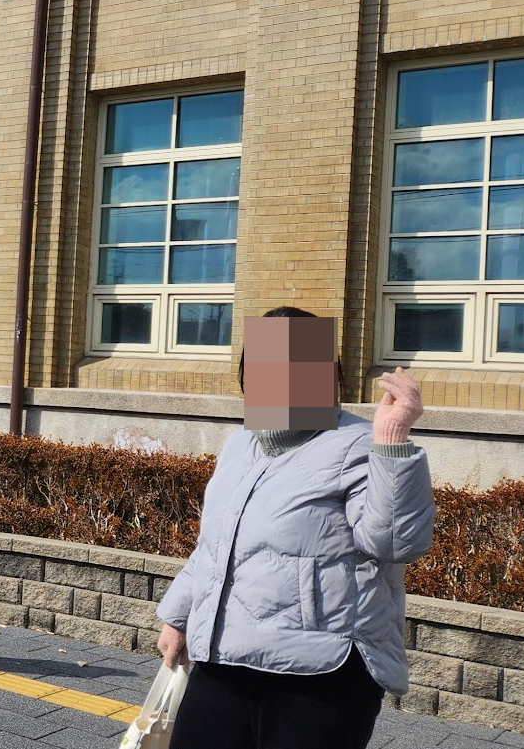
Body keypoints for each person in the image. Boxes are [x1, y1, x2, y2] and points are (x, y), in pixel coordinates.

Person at [156, 306, 436, 749]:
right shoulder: (241, 442)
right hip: (224, 658)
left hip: (321, 671)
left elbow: (395, 542)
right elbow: (216, 545)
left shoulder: (360, 444)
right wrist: (178, 618)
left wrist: (391, 441)